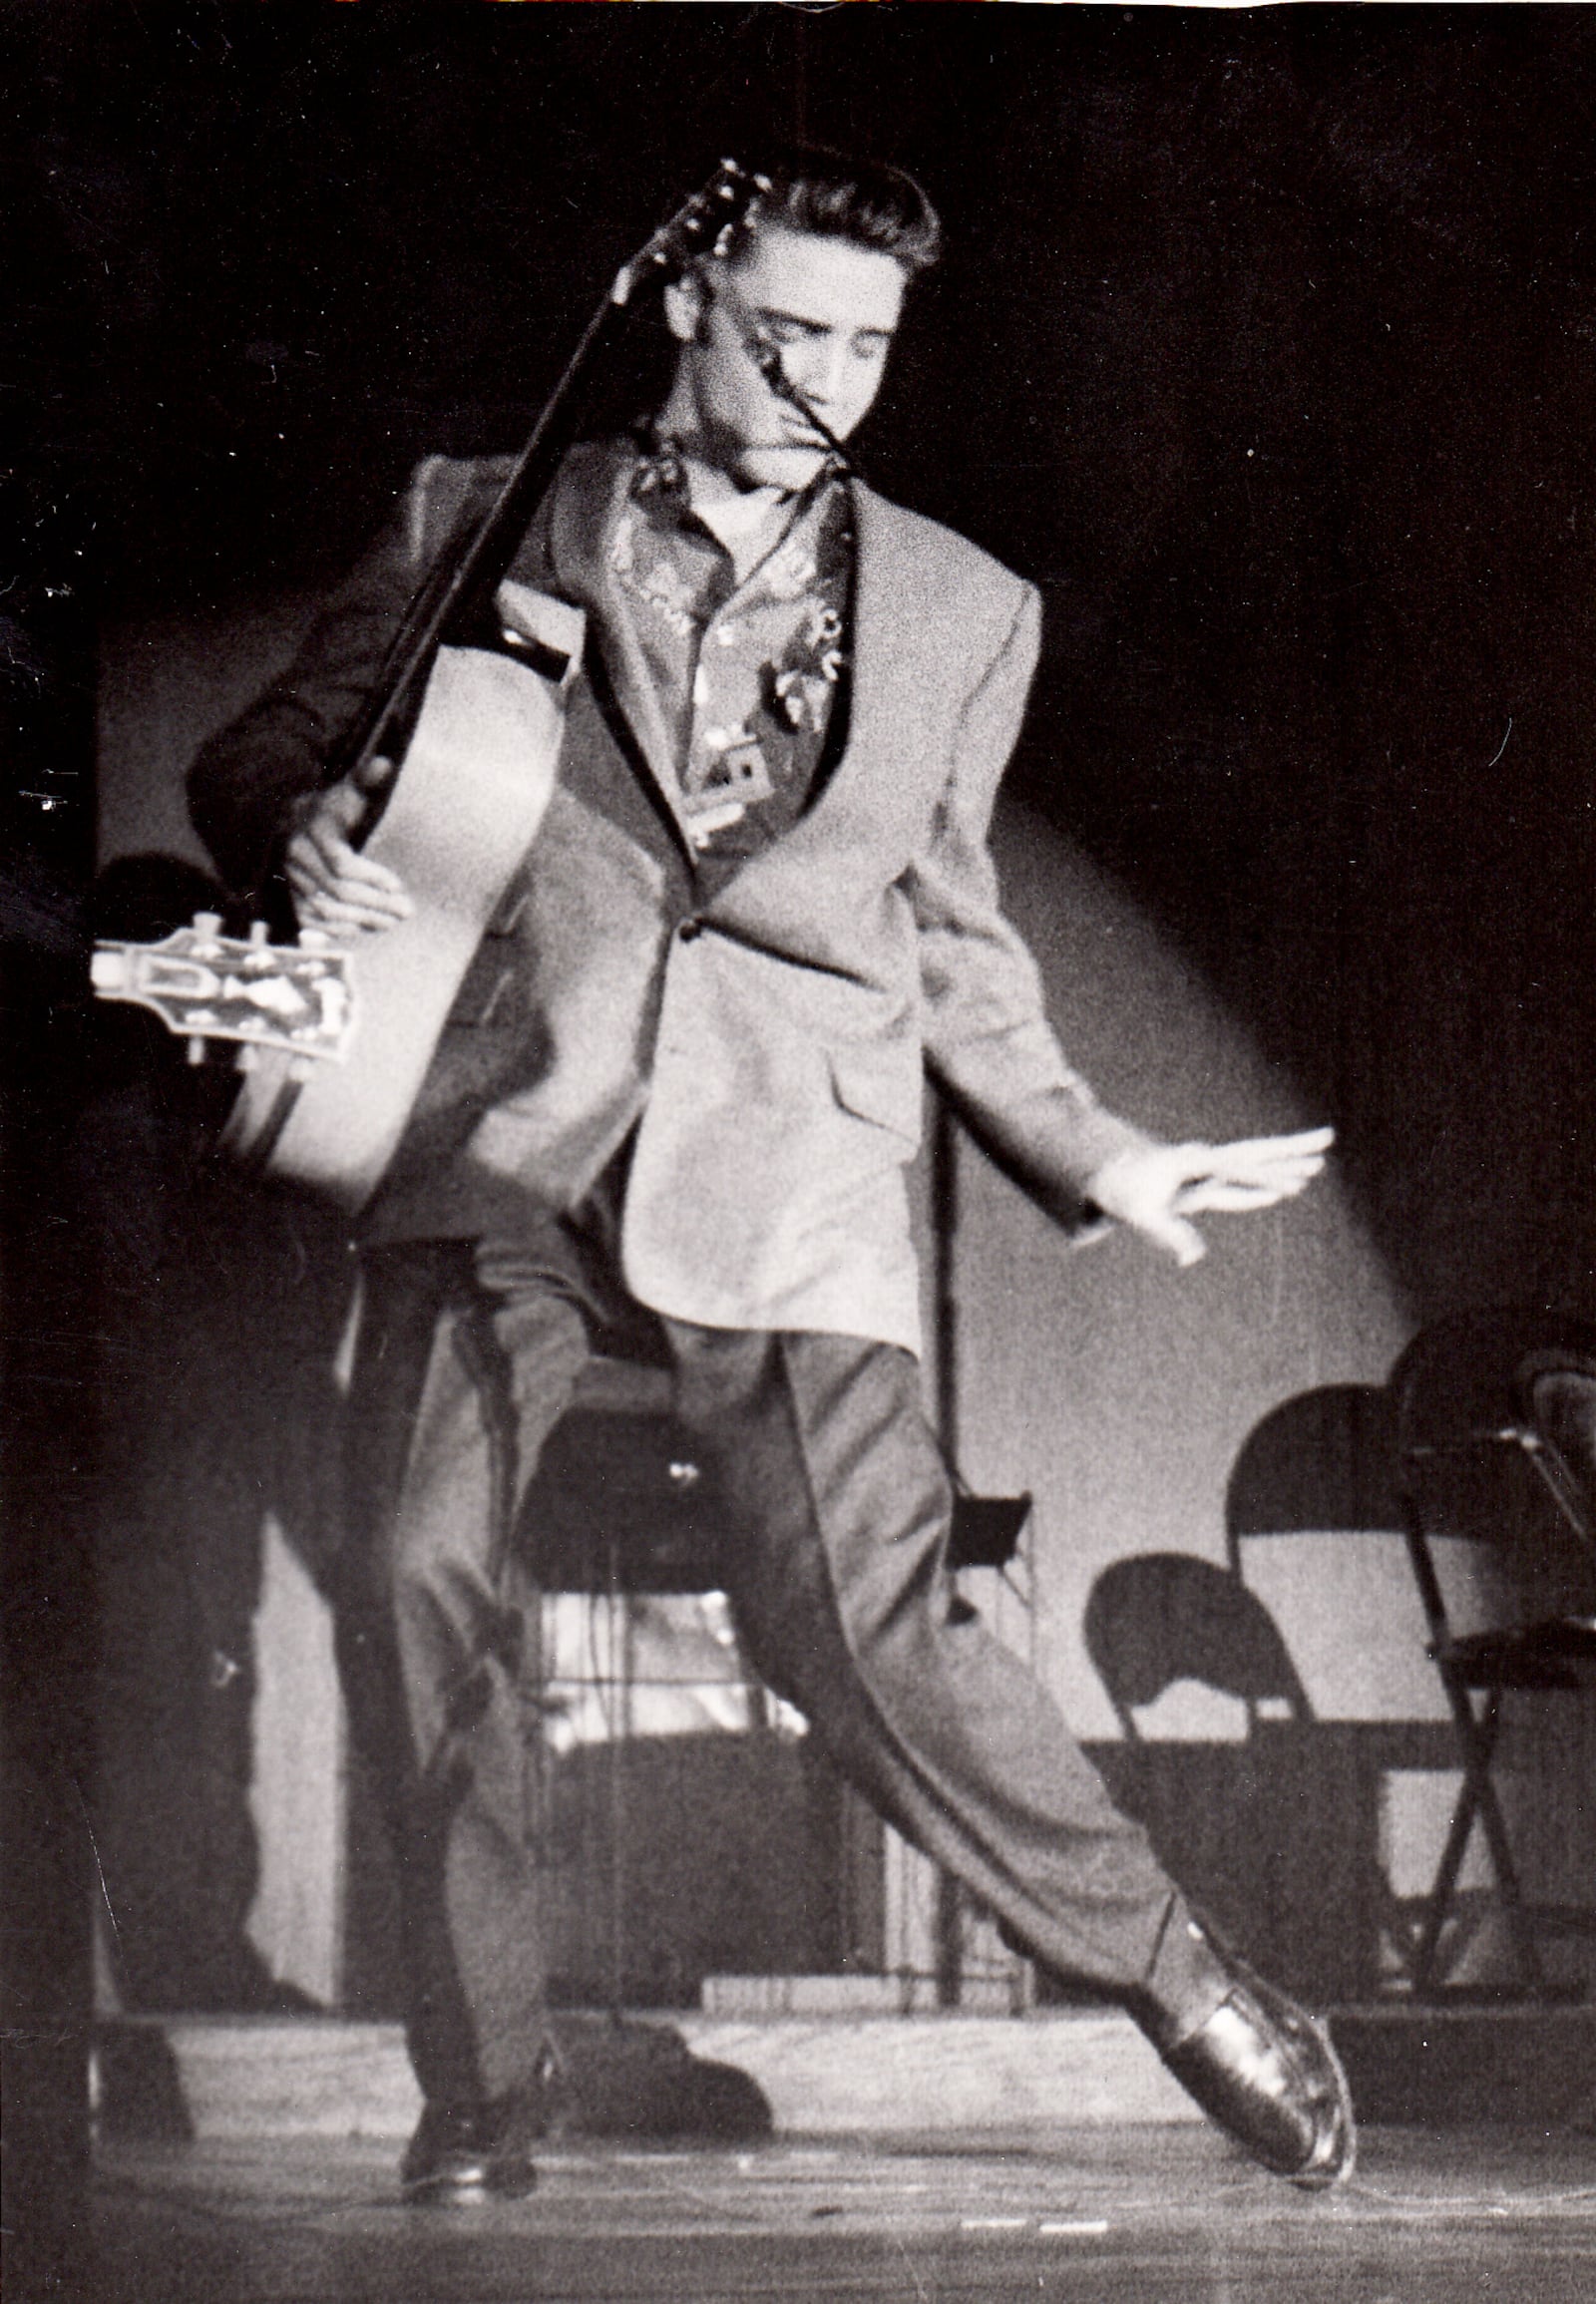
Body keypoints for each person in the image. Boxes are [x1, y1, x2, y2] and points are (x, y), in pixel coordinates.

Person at [189, 150, 1353, 2200]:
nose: (826, 375)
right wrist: (299, 829)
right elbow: (259, 754)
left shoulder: (964, 609)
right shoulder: (484, 511)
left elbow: (952, 932)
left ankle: (1185, 1980)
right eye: (784, 329)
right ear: (684, 307)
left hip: (791, 1157)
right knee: (418, 1581)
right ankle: (486, 2088)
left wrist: (1100, 1150)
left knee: (857, 1629)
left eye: (866, 345)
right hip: (504, 1130)